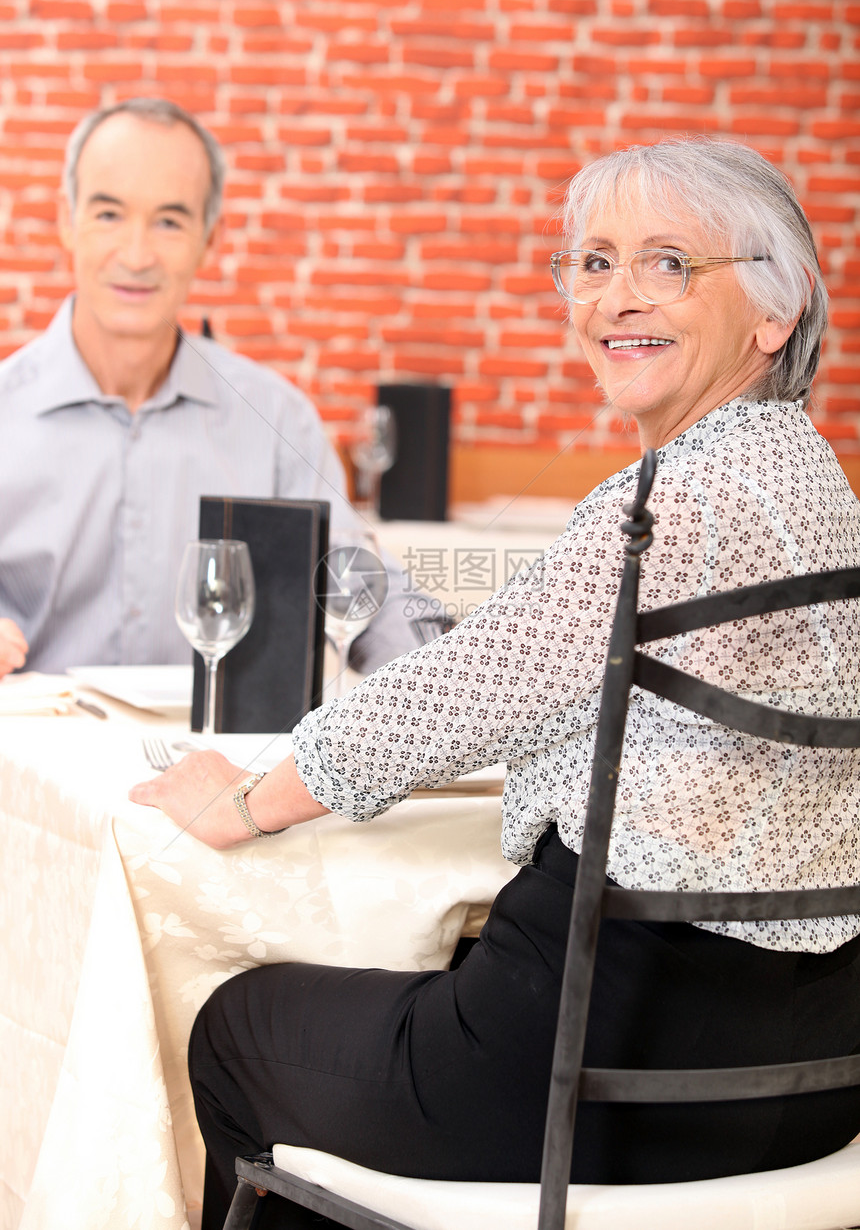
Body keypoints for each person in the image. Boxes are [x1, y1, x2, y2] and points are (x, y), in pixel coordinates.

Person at [131, 137, 860, 1227]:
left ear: (774, 312)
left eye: (668, 263)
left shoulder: (670, 503)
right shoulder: (818, 492)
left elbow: (448, 697)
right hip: (803, 1073)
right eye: (593, 260)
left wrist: (239, 804)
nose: (614, 295)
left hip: (592, 1071)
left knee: (237, 1028)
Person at [0, 97, 419, 679]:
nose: (137, 254)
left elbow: (356, 583)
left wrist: (446, 681)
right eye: (108, 214)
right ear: (66, 220)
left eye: (170, 221)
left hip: (214, 761)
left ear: (210, 237)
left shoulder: (278, 421)